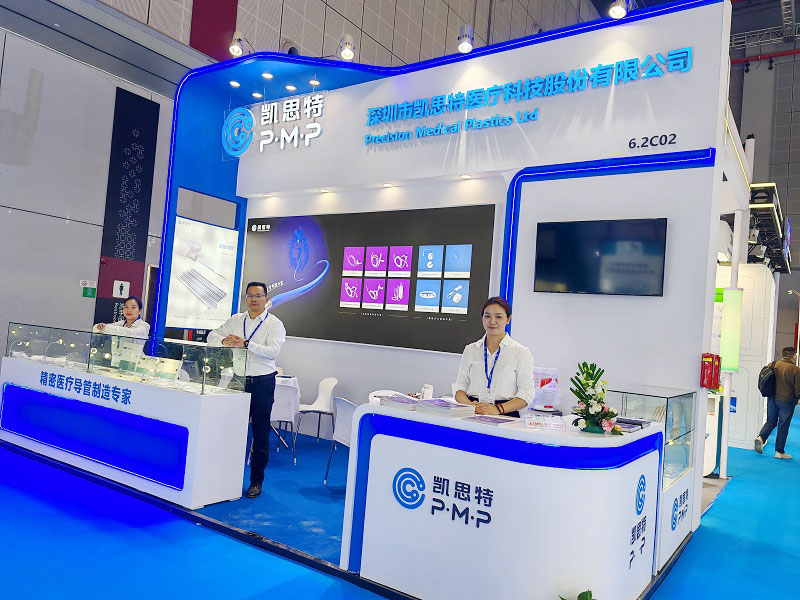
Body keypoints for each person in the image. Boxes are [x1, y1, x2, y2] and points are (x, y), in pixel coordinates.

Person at [207, 282, 286, 498]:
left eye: (258, 295)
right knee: (231, 430)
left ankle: (256, 482)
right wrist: (224, 340)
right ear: (246, 299)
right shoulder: (236, 319)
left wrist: (247, 343)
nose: (253, 299)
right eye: (250, 295)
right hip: (237, 380)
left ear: (266, 299)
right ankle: (226, 478)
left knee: (260, 434)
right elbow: (211, 336)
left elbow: (273, 351)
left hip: (262, 382)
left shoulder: (274, 324)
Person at [452, 296, 535, 417]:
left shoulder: (520, 352)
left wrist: (497, 409)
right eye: (487, 316)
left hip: (505, 413)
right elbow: (460, 386)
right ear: (482, 318)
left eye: (498, 317)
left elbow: (527, 393)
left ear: (508, 319)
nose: (492, 321)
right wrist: (469, 405)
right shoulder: (471, 350)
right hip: (473, 411)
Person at [754, 346, 800, 459]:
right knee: (783, 426)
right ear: (793, 356)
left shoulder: (773, 365)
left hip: (772, 399)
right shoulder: (796, 370)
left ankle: (761, 437)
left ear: (783, 355)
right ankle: (779, 452)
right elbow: (798, 390)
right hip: (787, 402)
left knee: (771, 421)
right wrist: (795, 400)